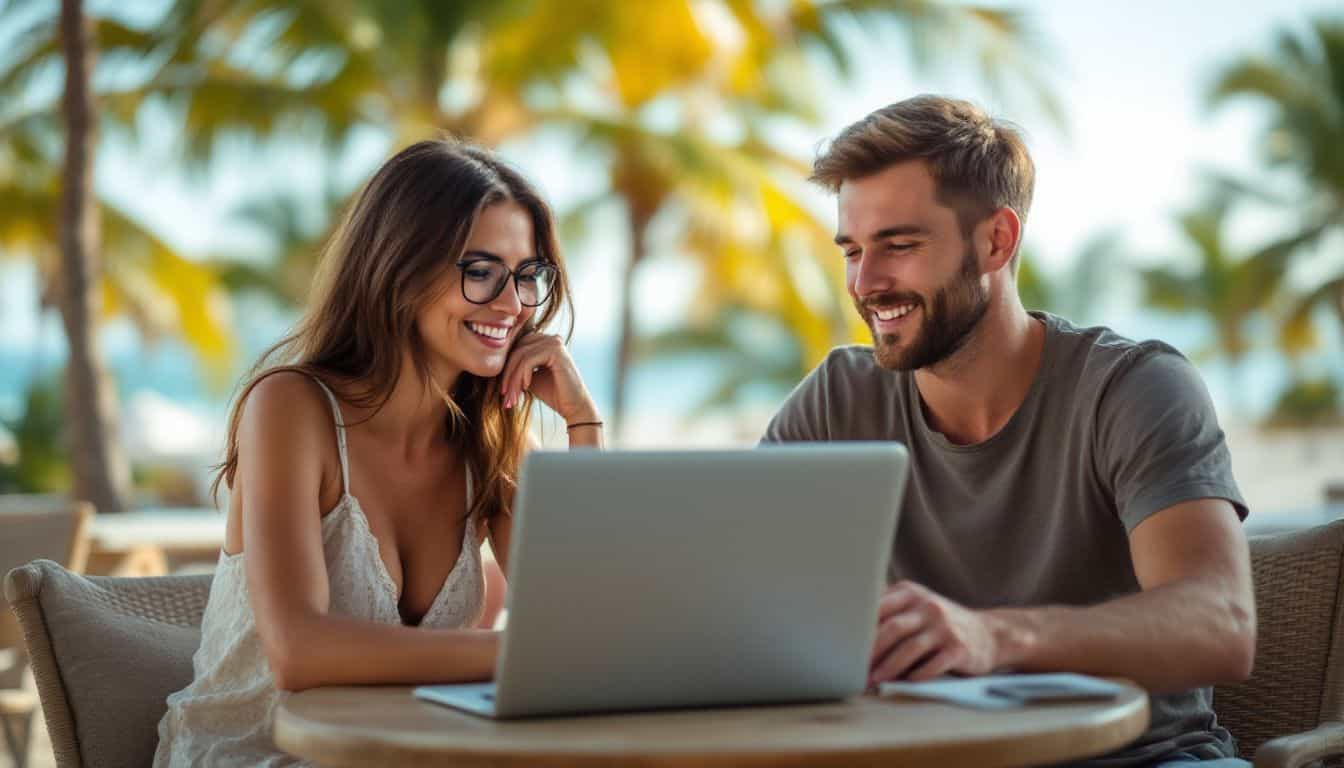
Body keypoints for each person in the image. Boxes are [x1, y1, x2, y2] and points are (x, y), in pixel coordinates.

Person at [762, 96, 1255, 766]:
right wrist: (586, 430)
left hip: (1142, 759)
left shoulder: (1133, 388)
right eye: (852, 249)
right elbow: (733, 597)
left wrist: (991, 637)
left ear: (997, 240)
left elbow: (1221, 623)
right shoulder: (836, 400)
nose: (866, 282)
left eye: (899, 245)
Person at [154, 140, 603, 766]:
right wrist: (522, 657)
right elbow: (299, 652)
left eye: (528, 275)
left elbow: (584, 619)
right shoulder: (292, 409)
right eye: (481, 272)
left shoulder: (491, 443)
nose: (512, 303)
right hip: (259, 755)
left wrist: (583, 423)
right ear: (401, 269)